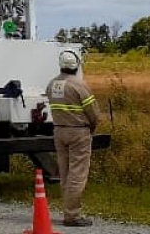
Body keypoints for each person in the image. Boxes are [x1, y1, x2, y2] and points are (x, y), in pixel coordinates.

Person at [46, 49, 100, 228]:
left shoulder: (52, 84)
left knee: (66, 173)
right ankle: (72, 216)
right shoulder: (79, 85)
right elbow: (93, 113)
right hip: (78, 132)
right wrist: (92, 127)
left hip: (59, 131)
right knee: (77, 174)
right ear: (76, 65)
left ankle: (68, 210)